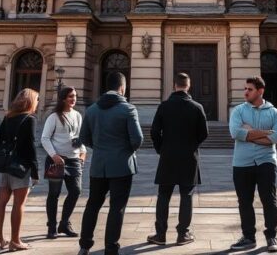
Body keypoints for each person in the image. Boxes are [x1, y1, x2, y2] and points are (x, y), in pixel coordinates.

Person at [77, 71, 144, 255]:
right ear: (122, 87)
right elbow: (137, 139)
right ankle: (111, 248)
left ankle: (84, 245)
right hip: (122, 166)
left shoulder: (91, 110)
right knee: (117, 207)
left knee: (92, 205)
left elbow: (84, 137)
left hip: (98, 165)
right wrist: (125, 151)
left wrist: (99, 148)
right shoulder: (128, 109)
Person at [147, 72, 209, 246]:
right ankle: (183, 234)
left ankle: (160, 235)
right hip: (189, 157)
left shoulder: (164, 106)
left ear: (174, 85)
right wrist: (192, 145)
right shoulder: (197, 107)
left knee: (163, 195)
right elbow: (204, 133)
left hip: (168, 156)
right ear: (188, 86)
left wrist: (161, 148)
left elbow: (153, 132)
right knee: (186, 195)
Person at [228, 76, 277, 252]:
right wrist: (264, 135)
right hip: (242, 163)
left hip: (266, 161)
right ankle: (248, 237)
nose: (245, 92)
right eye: (245, 89)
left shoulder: (274, 112)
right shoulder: (238, 111)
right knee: (244, 201)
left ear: (260, 91)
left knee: (269, 200)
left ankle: (271, 237)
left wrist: (250, 134)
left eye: (250, 89)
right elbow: (235, 133)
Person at [0, 88, 40, 251]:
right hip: (20, 167)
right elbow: (30, 147)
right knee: (18, 204)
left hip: (3, 165)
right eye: (37, 100)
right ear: (31, 101)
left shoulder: (8, 117)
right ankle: (15, 241)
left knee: (1, 202)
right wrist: (35, 171)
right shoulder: (29, 119)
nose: (38, 103)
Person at [41, 85, 85, 240]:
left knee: (76, 191)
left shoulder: (78, 115)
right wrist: (54, 155)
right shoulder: (54, 117)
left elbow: (79, 136)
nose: (73, 99)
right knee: (54, 194)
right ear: (63, 98)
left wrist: (83, 152)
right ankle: (51, 226)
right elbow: (44, 138)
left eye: (75, 96)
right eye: (70, 96)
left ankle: (64, 223)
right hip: (56, 161)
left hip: (74, 160)